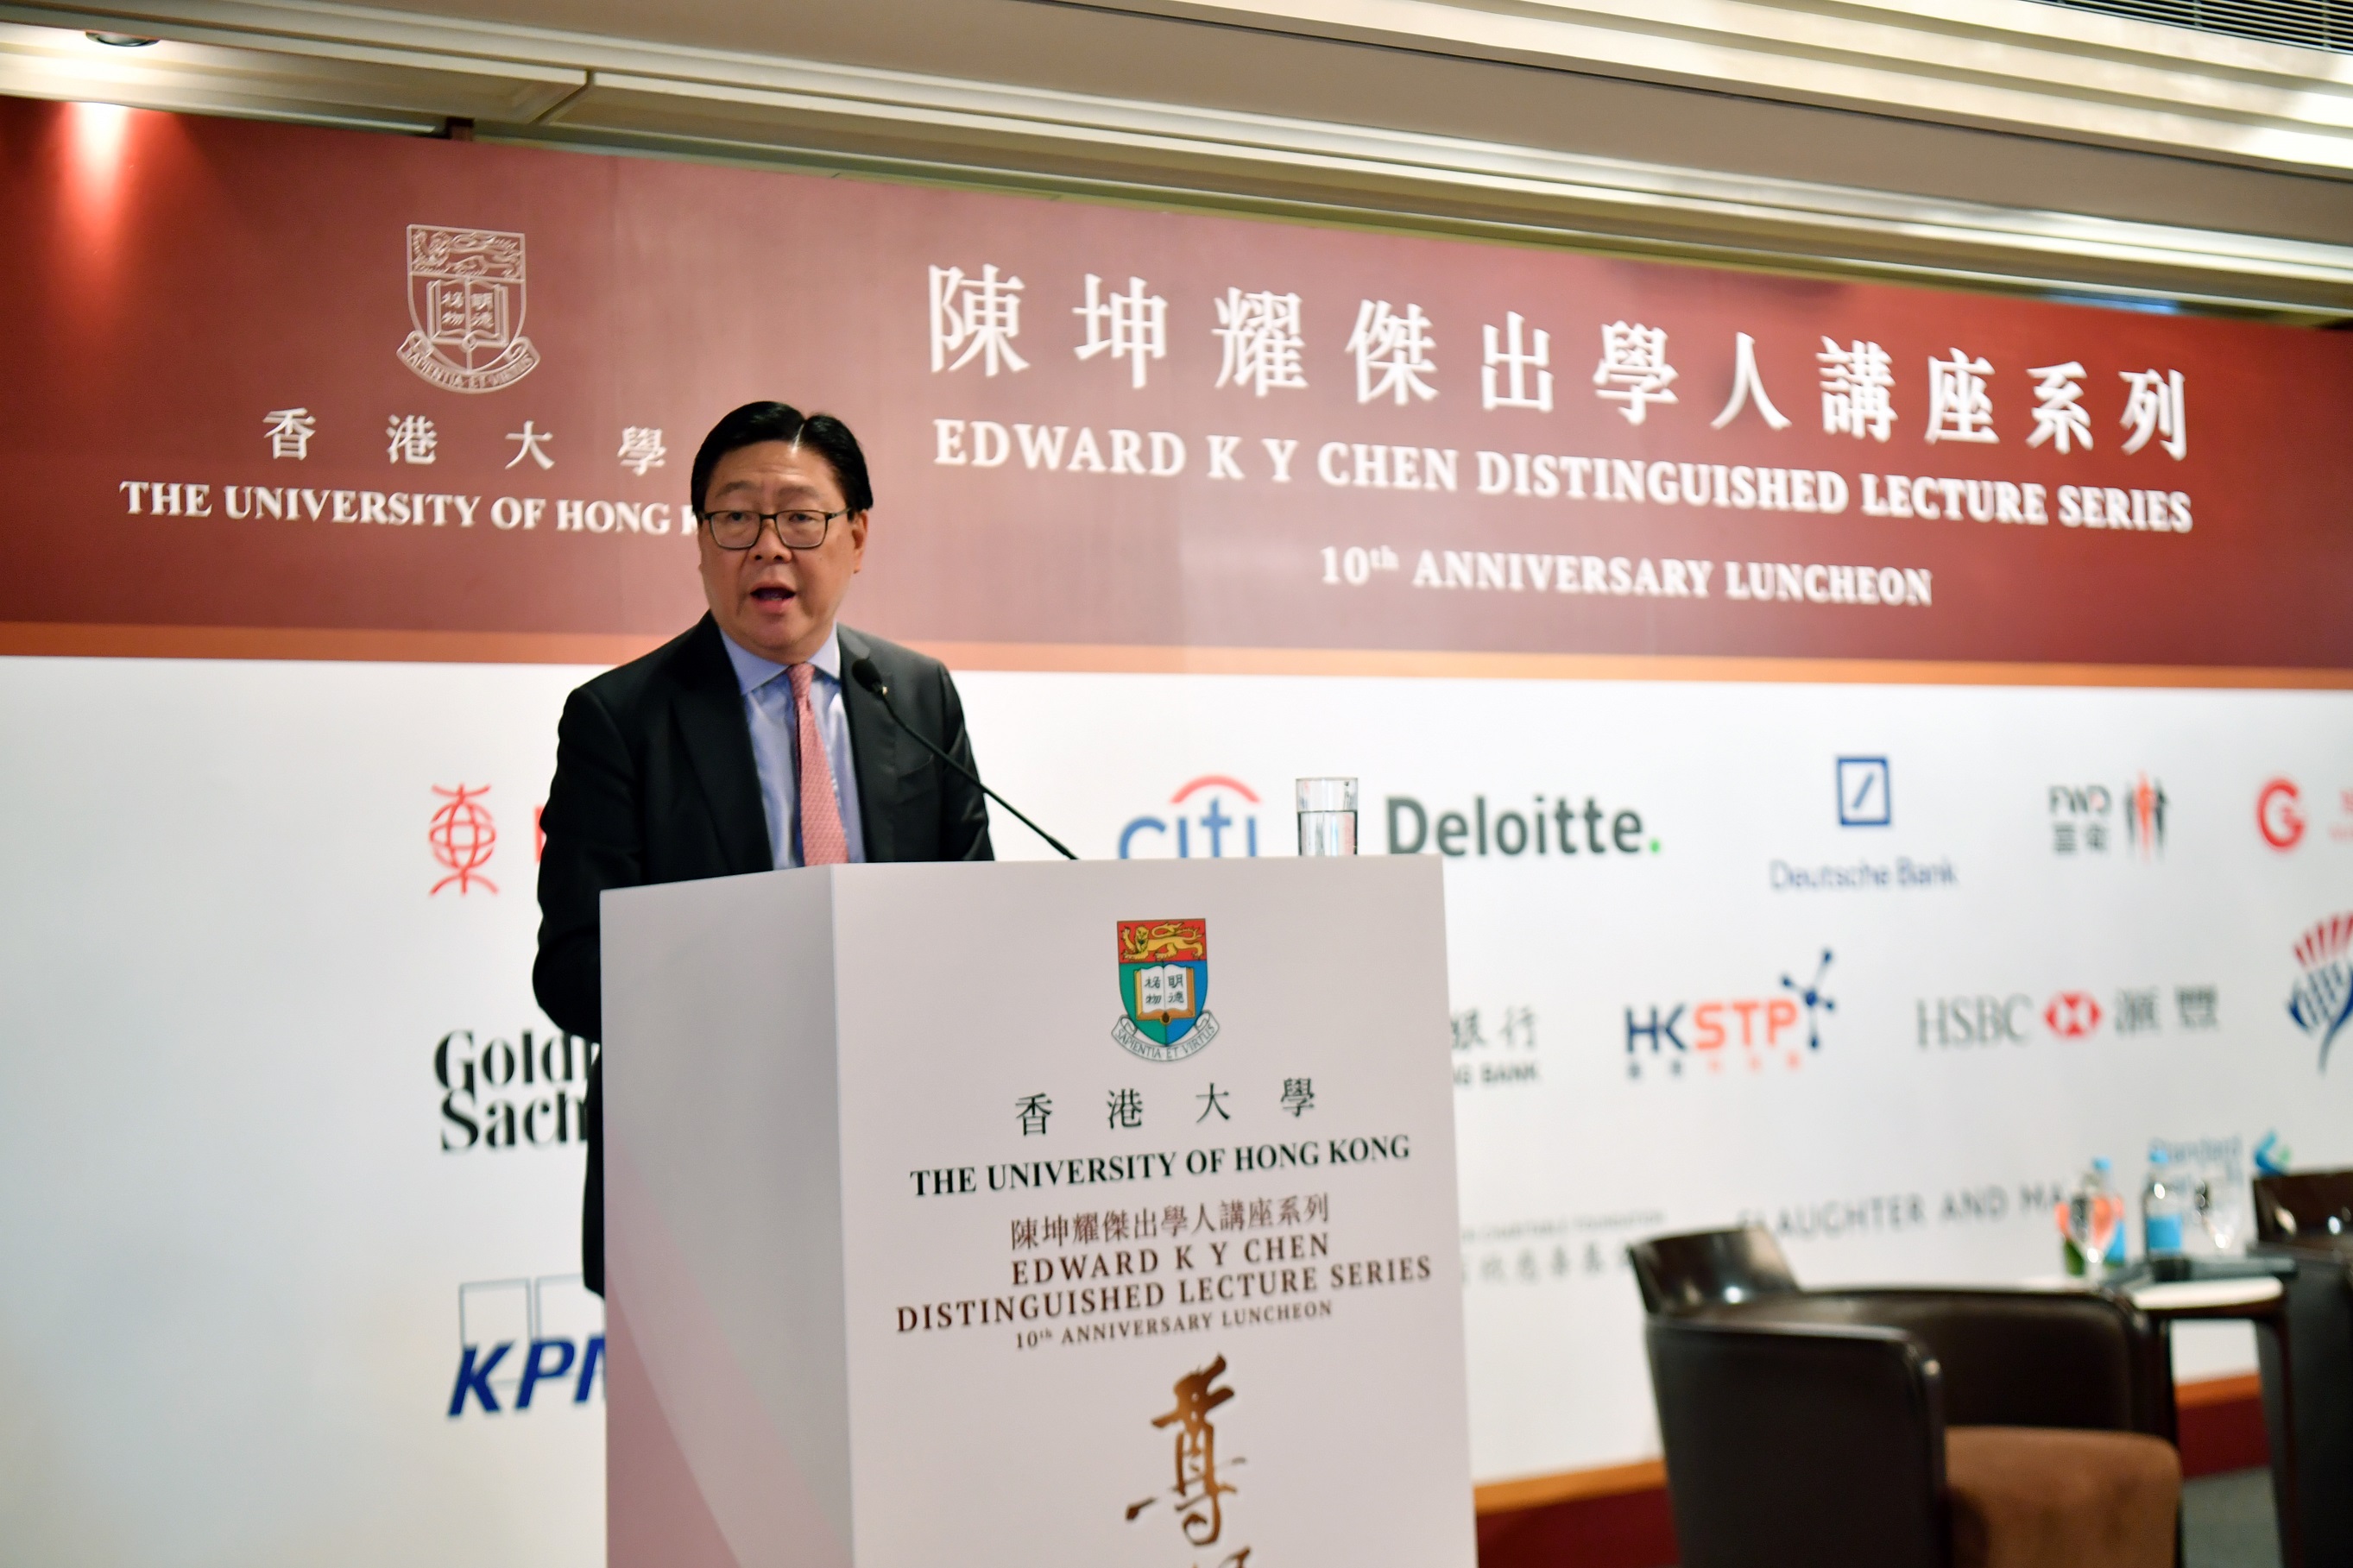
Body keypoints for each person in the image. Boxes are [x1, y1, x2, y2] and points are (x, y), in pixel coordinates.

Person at [534, 401, 993, 1294]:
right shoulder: (620, 720)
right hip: (700, 1182)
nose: (767, 547)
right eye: (736, 517)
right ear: (701, 540)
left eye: (800, 518)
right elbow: (573, 971)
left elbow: (971, 923)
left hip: (903, 1165)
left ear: (856, 537)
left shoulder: (915, 695)